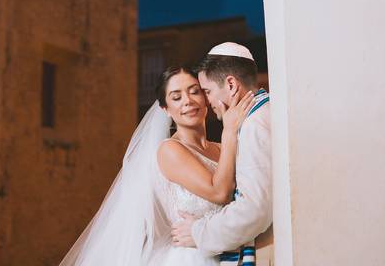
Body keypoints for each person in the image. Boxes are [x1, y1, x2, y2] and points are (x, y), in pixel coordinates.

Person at [59, 64, 254, 265]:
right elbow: (220, 192)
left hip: (232, 253)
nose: (187, 101)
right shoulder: (170, 150)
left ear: (205, 97)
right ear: (166, 109)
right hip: (192, 257)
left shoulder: (223, 148)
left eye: (194, 91)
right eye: (176, 97)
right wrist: (230, 130)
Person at [172, 42, 273, 266]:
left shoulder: (254, 125)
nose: (206, 101)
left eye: (206, 91)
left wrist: (199, 232)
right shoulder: (265, 113)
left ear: (230, 84)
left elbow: (255, 209)